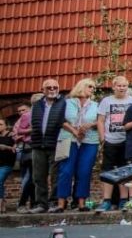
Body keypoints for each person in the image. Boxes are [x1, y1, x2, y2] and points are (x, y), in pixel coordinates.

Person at [58, 78, 100, 212]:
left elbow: (100, 120)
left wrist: (91, 124)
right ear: (81, 86)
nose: (92, 89)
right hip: (68, 138)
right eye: (89, 86)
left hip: (89, 140)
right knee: (66, 171)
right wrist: (75, 131)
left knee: (84, 171)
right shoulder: (67, 102)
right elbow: (61, 120)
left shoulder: (95, 105)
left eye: (93, 87)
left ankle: (81, 203)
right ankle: (61, 203)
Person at [97, 76, 132, 211]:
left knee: (124, 171)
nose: (122, 88)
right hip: (110, 140)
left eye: (124, 85)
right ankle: (106, 200)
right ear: (113, 87)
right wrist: (103, 138)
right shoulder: (106, 101)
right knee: (108, 171)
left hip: (127, 141)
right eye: (119, 86)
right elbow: (101, 120)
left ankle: (123, 200)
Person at [30, 79, 66, 213]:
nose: (52, 89)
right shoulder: (37, 105)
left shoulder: (64, 103)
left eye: (55, 87)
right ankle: (41, 204)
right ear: (43, 90)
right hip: (38, 144)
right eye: (49, 87)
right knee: (38, 176)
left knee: (56, 176)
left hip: (56, 143)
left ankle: (53, 202)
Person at [13, 99, 35, 213]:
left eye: (23, 110)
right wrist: (33, 130)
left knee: (33, 178)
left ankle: (33, 203)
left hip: (32, 148)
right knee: (28, 178)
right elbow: (16, 134)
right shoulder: (24, 118)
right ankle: (23, 203)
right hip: (26, 150)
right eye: (19, 111)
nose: (21, 112)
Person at [0, 119, 15, 214]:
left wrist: (5, 147)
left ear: (6, 126)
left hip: (6, 164)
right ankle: (3, 203)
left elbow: (16, 149)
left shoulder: (11, 135)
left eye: (0, 124)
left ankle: (1, 202)